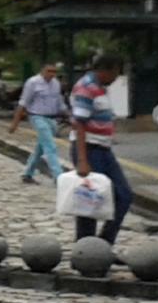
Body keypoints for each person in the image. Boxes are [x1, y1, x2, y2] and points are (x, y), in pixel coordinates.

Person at [70, 55, 131, 244]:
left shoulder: (100, 88)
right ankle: (85, 246)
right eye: (115, 73)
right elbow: (79, 124)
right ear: (106, 70)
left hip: (103, 149)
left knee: (123, 195)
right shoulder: (86, 87)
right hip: (89, 149)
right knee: (90, 201)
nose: (116, 78)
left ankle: (104, 243)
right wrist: (82, 159)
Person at [9, 64, 66, 184]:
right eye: (49, 71)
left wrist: (70, 116)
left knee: (41, 147)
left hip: (52, 119)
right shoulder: (33, 82)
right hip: (37, 117)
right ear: (42, 71)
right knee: (50, 146)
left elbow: (59, 102)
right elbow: (23, 102)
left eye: (54, 71)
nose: (51, 74)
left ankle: (28, 173)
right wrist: (15, 123)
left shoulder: (56, 83)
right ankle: (59, 177)